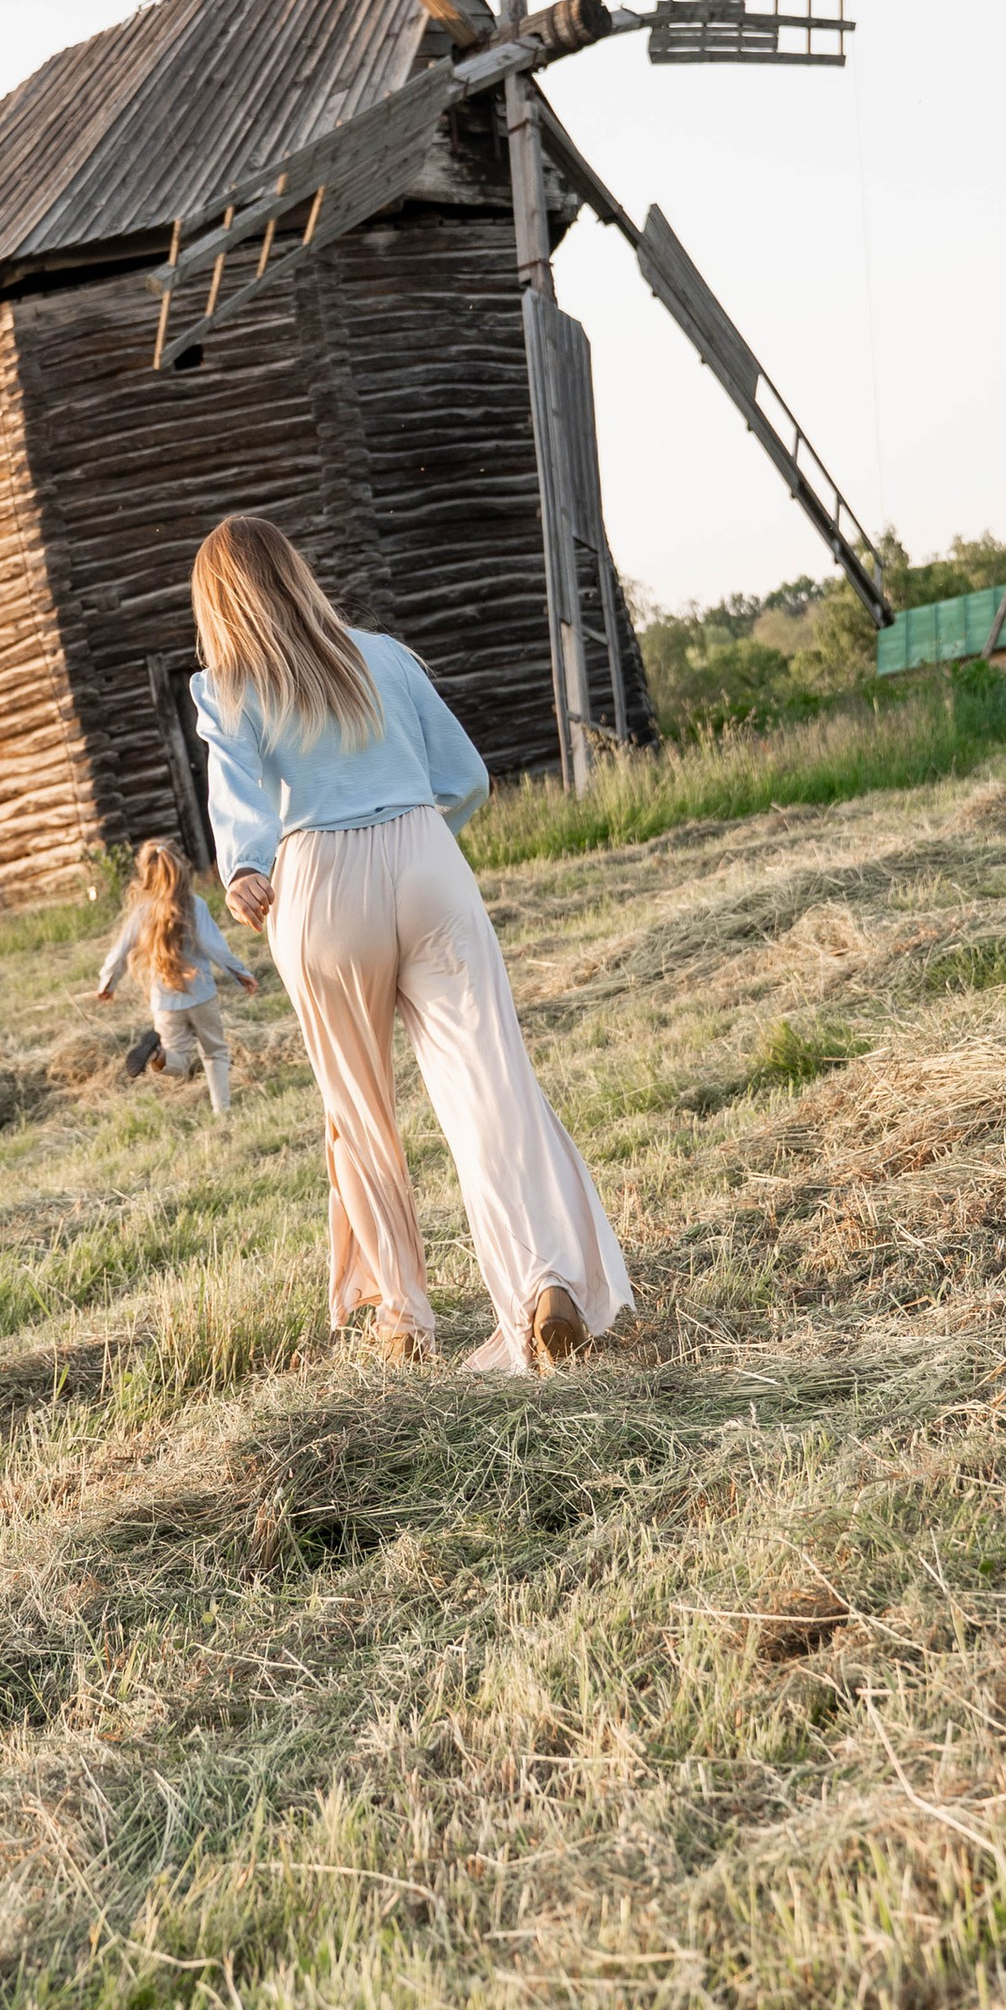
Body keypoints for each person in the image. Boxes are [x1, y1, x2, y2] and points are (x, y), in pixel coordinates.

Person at [189, 512, 630, 1372]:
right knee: (491, 1085)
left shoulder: (228, 683)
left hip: (317, 883)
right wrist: (424, 838)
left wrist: (245, 866)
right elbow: (466, 777)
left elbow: (235, 794)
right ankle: (547, 1283)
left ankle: (404, 1318)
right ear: (295, 572)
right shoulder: (385, 655)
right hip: (428, 859)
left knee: (360, 1112)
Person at [95, 837, 255, 1118]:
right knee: (214, 1052)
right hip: (201, 994)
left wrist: (107, 983)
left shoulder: (142, 913)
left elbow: (119, 951)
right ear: (182, 868)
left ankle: (157, 1055)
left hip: (165, 1002)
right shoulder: (195, 905)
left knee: (177, 1062)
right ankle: (222, 1110)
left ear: (146, 874)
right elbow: (214, 946)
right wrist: (240, 973)